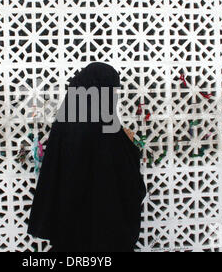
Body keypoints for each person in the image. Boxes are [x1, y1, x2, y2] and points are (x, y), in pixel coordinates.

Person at [27, 62, 146, 252]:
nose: (114, 98)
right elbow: (129, 181)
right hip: (105, 236)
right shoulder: (106, 128)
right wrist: (128, 145)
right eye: (112, 92)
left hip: (70, 235)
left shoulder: (65, 123)